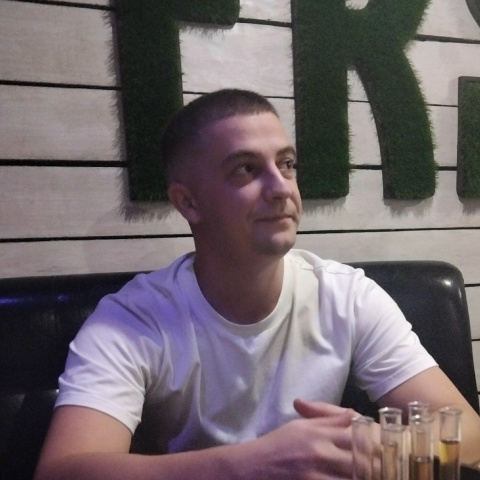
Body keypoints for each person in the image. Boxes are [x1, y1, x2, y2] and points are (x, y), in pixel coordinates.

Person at [35, 89, 480, 480]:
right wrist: (249, 466)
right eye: (246, 169)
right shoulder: (135, 318)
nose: (281, 187)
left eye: (286, 164)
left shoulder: (347, 296)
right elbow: (61, 471)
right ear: (188, 202)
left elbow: (470, 437)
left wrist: (368, 448)